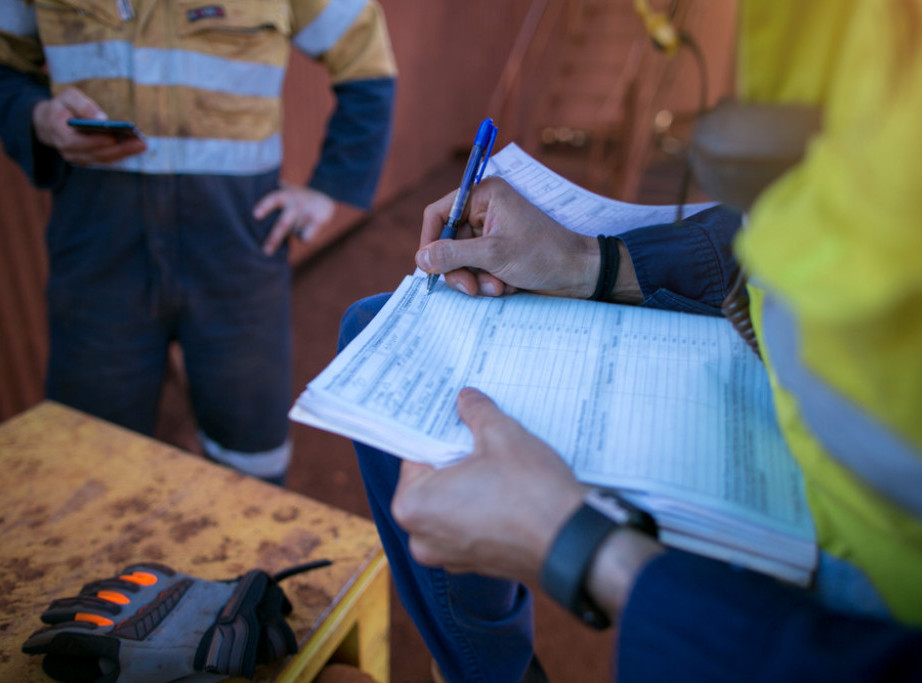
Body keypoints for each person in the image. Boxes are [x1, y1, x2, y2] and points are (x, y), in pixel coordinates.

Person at [339, 0, 922, 680]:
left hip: (872, 566)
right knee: (375, 326)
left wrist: (586, 551)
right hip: (779, 387)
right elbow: (793, 215)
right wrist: (591, 261)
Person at [0, 0, 397, 484]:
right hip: (97, 247)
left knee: (251, 456)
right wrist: (37, 117)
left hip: (236, 248)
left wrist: (329, 187)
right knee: (89, 459)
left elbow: (367, 63)